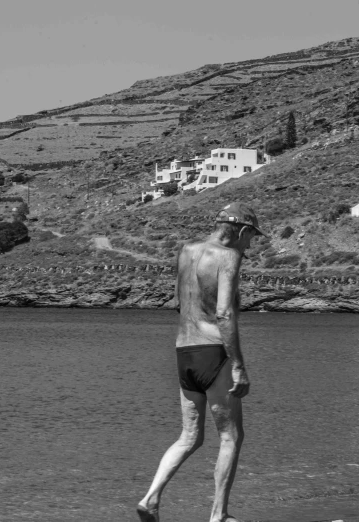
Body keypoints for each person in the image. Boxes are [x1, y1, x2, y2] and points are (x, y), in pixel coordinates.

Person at [137, 202, 264, 522]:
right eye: (251, 238)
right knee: (231, 436)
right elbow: (224, 313)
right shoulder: (229, 256)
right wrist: (238, 365)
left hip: (184, 352)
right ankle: (218, 515)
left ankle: (150, 498)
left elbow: (179, 303)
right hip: (213, 352)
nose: (250, 245)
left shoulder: (186, 250)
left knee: (189, 436)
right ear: (242, 230)